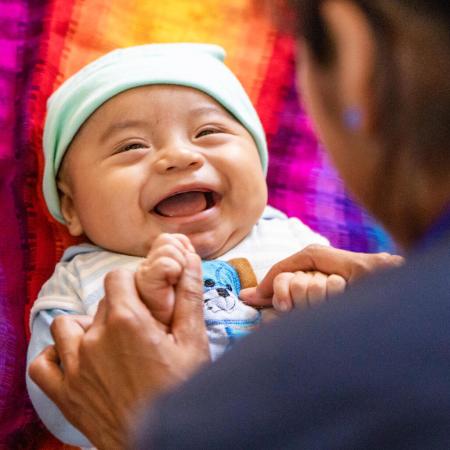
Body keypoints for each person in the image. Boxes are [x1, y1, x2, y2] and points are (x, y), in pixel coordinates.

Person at [26, 42, 399, 447]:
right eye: (131, 146)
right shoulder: (81, 277)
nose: (180, 156)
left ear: (258, 165)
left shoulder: (292, 239)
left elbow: (369, 341)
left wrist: (320, 299)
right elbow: (58, 392)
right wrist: (143, 317)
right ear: (71, 204)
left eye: (209, 131)